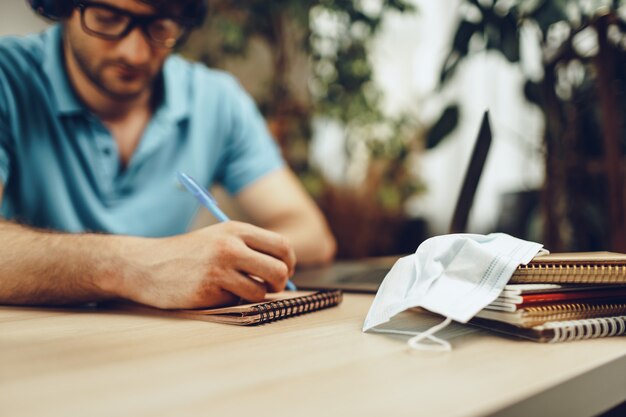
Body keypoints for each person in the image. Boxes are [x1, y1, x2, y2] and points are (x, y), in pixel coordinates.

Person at [0, 0, 336, 309]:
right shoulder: (7, 76)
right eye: (107, 18)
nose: (134, 53)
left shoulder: (216, 100)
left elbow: (311, 234)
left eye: (160, 26)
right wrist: (136, 264)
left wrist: (231, 255)